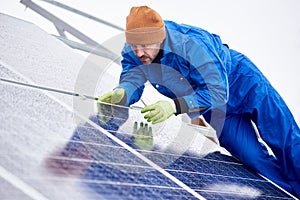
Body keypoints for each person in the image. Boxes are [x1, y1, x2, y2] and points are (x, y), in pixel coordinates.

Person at [97, 5, 300, 197]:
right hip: (215, 109)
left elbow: (218, 89)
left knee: (287, 142)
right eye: (134, 46)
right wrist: (122, 93)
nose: (139, 52)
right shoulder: (135, 51)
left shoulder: (191, 44)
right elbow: (133, 77)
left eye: (145, 46)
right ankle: (288, 195)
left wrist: (175, 106)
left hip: (244, 84)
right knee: (252, 158)